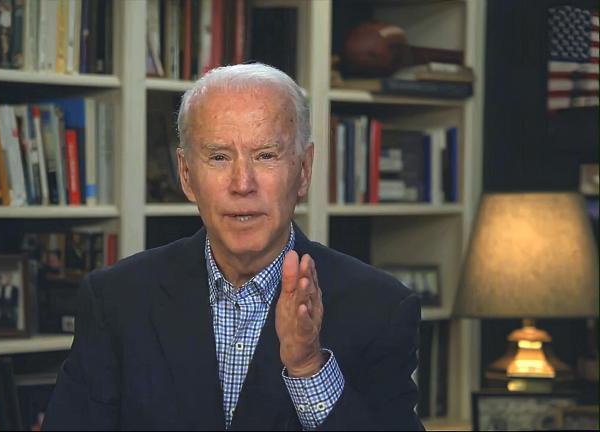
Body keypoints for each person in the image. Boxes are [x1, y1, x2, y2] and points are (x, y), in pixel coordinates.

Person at [43, 63, 423, 430]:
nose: (243, 183)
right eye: (220, 157)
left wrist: (309, 368)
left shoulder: (382, 309)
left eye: (266, 156)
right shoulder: (116, 300)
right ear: (187, 175)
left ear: (304, 171)